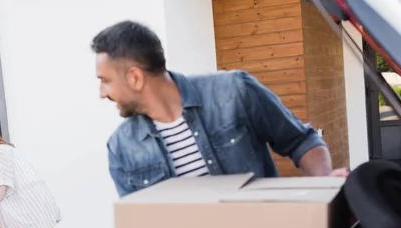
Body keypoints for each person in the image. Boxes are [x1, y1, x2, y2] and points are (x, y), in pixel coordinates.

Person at [90, 21, 349, 198]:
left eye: (105, 81)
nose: (102, 93)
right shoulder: (122, 148)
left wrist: (324, 181)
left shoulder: (234, 91)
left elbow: (301, 141)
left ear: (135, 77)